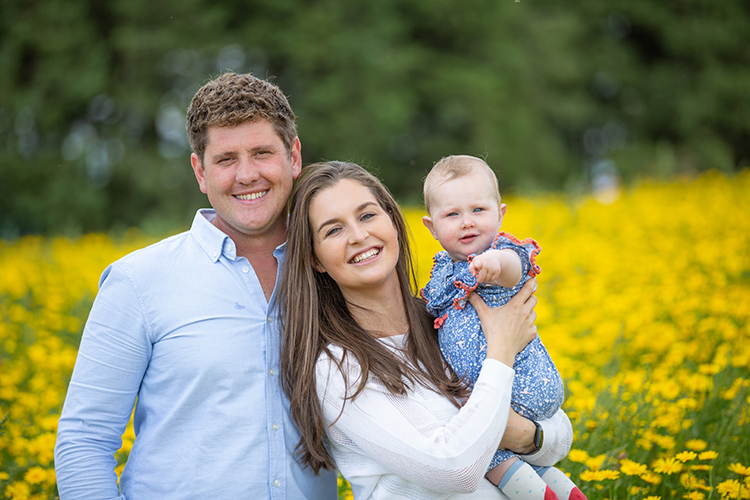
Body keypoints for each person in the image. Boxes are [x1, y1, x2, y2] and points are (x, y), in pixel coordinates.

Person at [54, 73, 337, 499]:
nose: (247, 175)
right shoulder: (137, 281)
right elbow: (84, 441)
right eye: (225, 159)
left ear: (294, 157)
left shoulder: (333, 273)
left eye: (262, 153)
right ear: (199, 171)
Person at [278, 161, 575, 499]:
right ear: (315, 258)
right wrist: (502, 348)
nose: (358, 236)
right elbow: (455, 471)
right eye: (333, 230)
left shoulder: (444, 317)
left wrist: (525, 436)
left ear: (393, 220)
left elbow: (561, 434)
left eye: (367, 216)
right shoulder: (338, 368)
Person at [420, 155, 586, 500]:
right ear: (432, 227)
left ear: (500, 213)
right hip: (497, 385)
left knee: (482, 444)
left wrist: (493, 264)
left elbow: (516, 267)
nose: (467, 222)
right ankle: (561, 489)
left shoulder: (500, 251)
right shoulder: (442, 270)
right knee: (512, 452)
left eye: (478, 210)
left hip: (523, 380)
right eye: (452, 214)